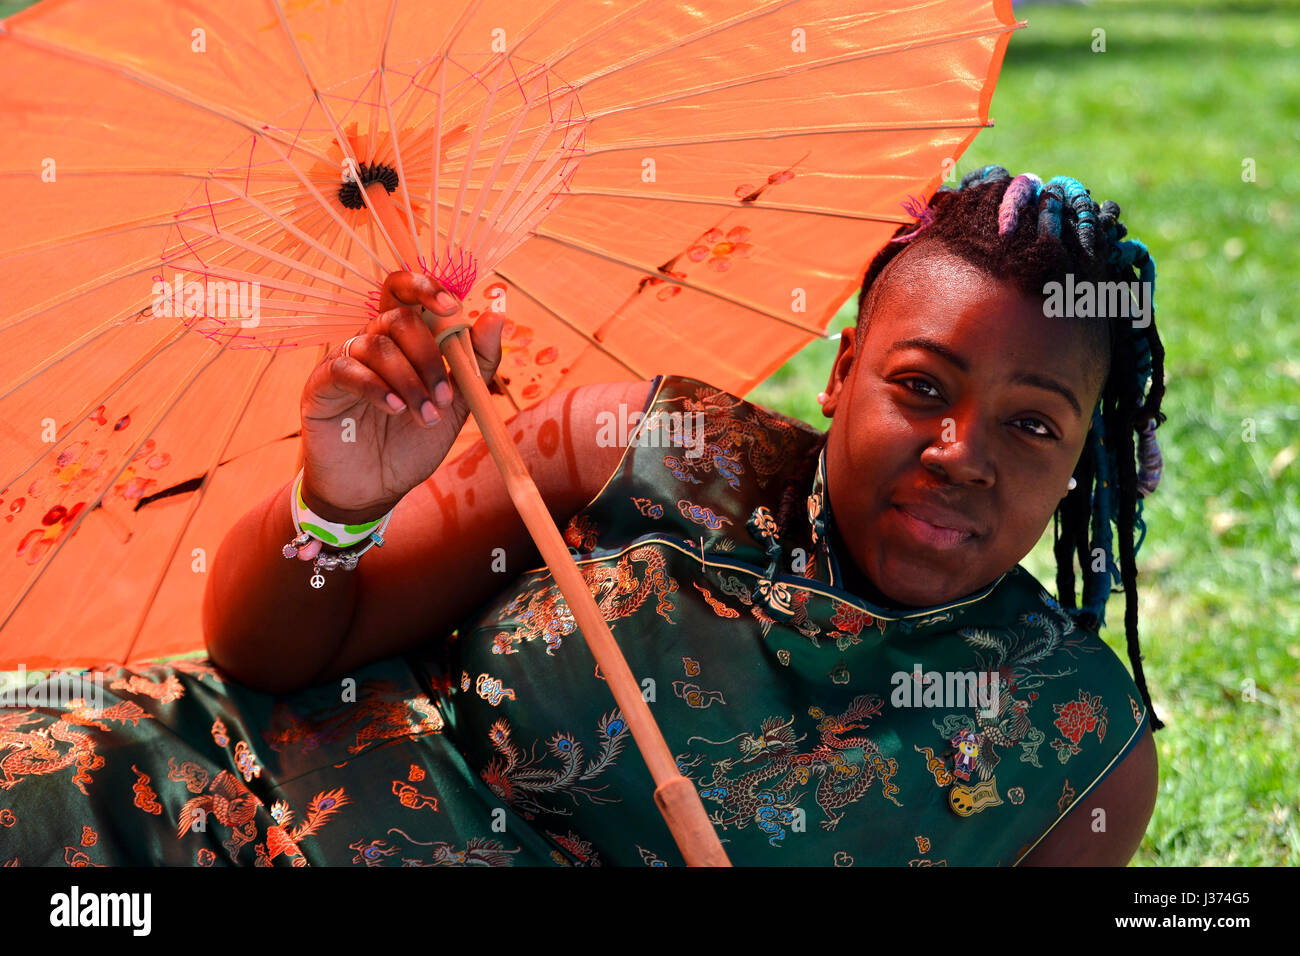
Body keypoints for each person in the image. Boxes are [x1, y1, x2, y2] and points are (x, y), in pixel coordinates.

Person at [0, 166, 1164, 867]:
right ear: (844, 369)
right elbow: (266, 653)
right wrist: (343, 502)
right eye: (921, 385)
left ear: (1082, 461)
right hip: (192, 793)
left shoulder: (1075, 751)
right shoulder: (635, 451)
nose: (960, 452)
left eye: (1031, 424)